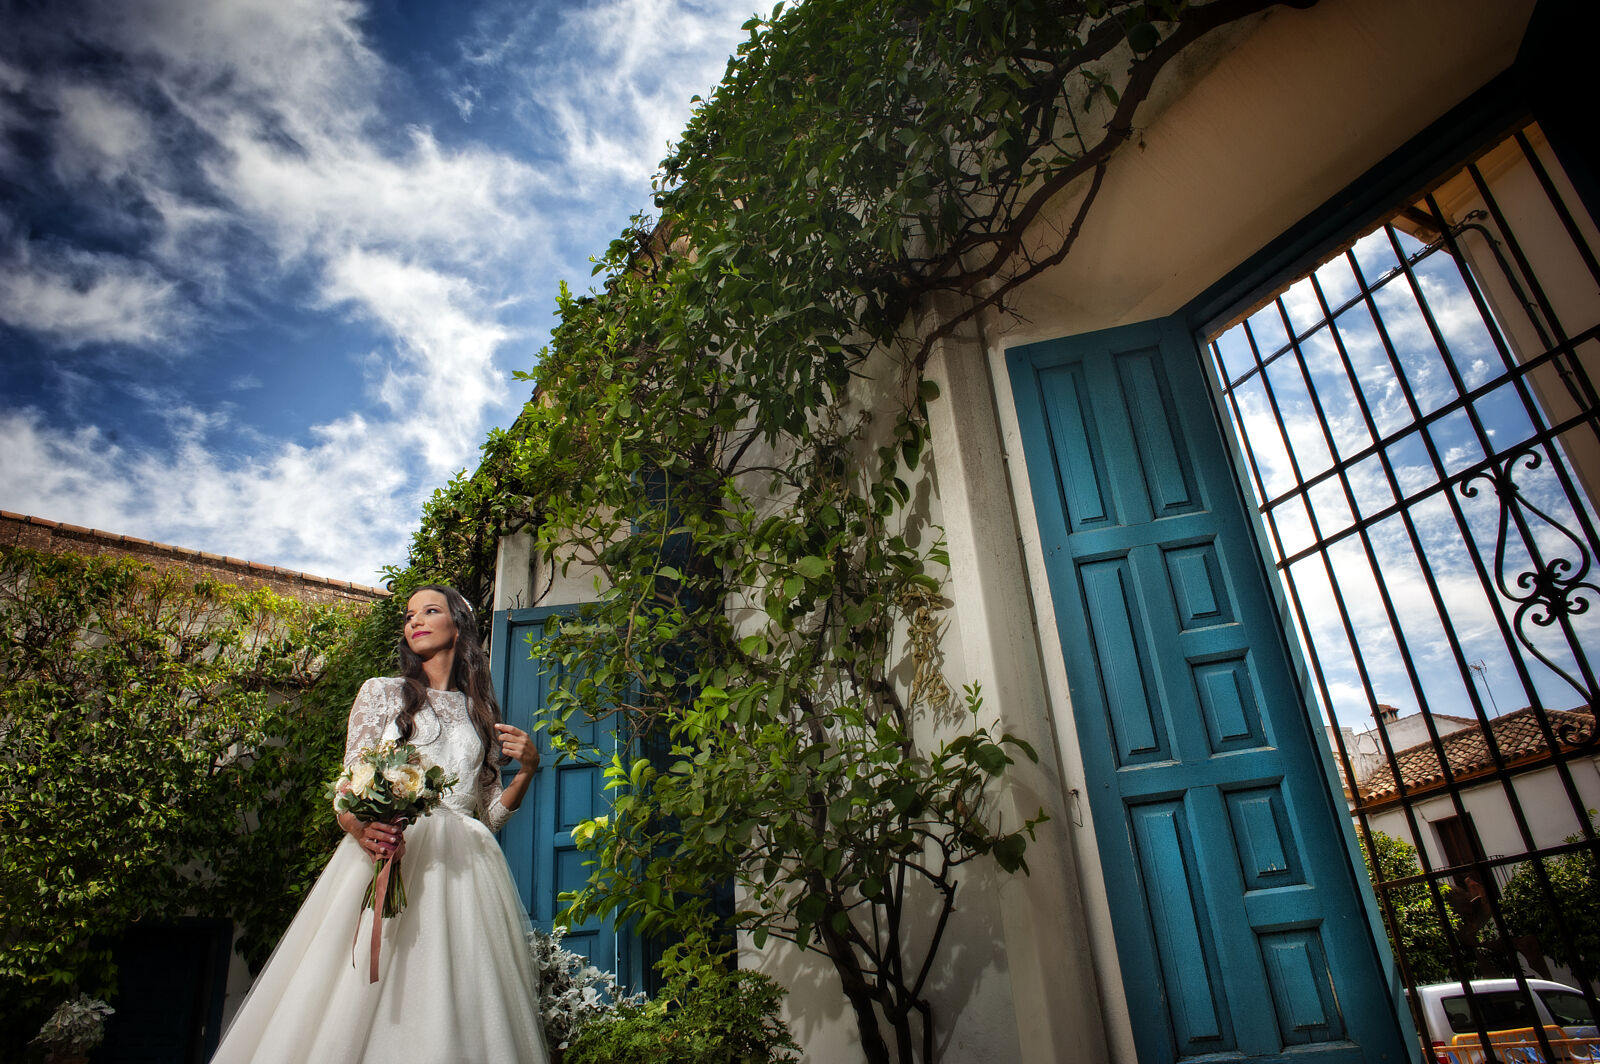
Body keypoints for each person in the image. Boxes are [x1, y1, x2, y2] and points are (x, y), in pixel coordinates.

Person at [210, 584, 549, 1063]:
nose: (415, 621)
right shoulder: (381, 692)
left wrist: (530, 770)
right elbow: (349, 786)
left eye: (430, 611)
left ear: (460, 626)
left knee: (455, 994)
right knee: (355, 993)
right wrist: (359, 828)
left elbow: (490, 816)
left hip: (464, 872)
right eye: (410, 615)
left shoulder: (482, 714)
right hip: (389, 850)